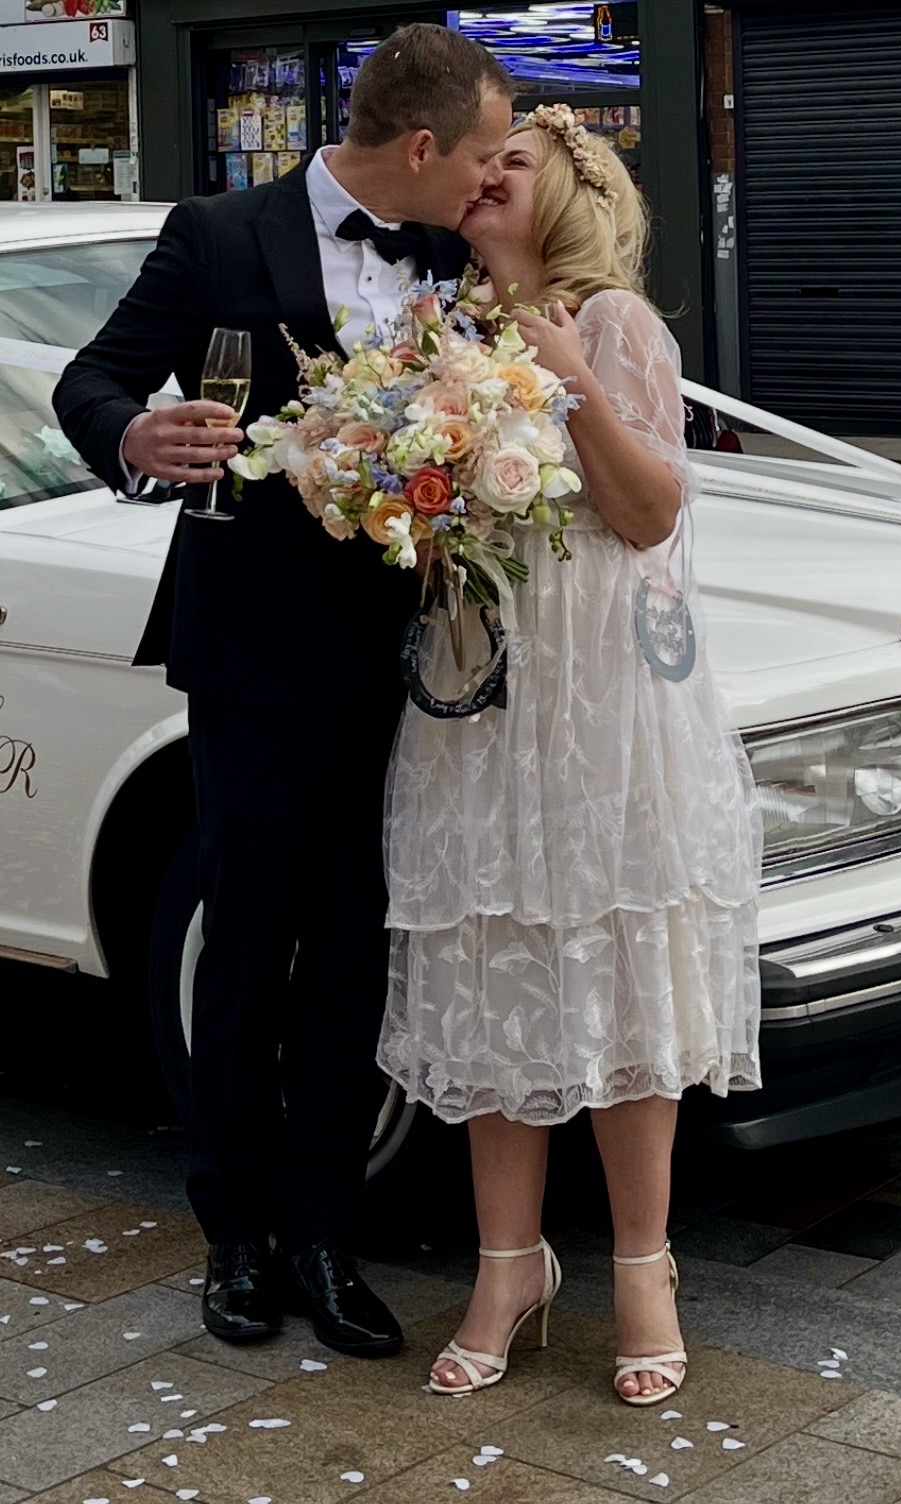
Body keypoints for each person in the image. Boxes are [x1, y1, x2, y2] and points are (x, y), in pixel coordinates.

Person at [53, 25, 515, 1356]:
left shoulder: (451, 257)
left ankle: (323, 1235)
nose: (490, 181)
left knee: (359, 945)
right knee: (248, 943)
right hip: (255, 654)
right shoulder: (220, 232)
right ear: (419, 147)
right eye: (479, 157)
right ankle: (235, 1239)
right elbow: (93, 380)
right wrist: (135, 442)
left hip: (411, 657)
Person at [377, 107, 762, 1404]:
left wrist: (571, 380)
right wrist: (387, 486)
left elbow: (650, 515)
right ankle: (507, 1264)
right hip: (481, 696)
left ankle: (643, 1268)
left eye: (513, 165)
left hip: (601, 701)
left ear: (575, 190)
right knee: (496, 963)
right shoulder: (441, 337)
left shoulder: (616, 327)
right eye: (476, 166)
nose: (484, 179)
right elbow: (432, 533)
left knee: (616, 962)